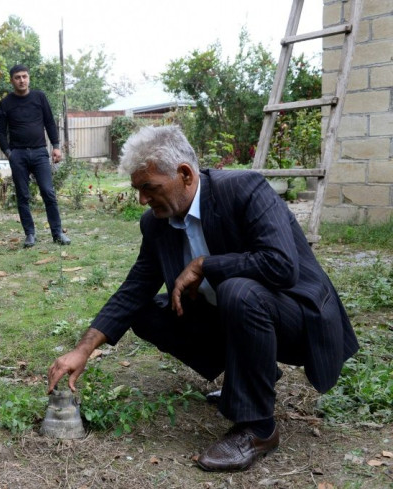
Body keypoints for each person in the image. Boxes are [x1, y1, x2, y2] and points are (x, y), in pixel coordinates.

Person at [47, 125, 358, 472]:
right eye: (138, 190)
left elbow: (282, 266)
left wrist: (206, 265)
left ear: (184, 174)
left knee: (236, 290)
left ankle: (259, 429)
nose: (143, 201)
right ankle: (254, 375)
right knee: (146, 312)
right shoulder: (157, 224)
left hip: (299, 320)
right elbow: (135, 288)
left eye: (149, 188)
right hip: (243, 318)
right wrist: (83, 348)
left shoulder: (243, 188)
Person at [0, 64, 70, 248]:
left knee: (48, 192)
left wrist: (56, 146)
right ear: (12, 80)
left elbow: (49, 123)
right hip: (18, 154)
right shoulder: (5, 103)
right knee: (23, 196)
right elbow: (0, 131)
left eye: (24, 76)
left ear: (29, 78)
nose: (21, 80)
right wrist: (9, 154)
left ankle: (57, 233)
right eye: (17, 77)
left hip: (39, 152)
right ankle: (29, 234)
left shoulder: (39, 97)